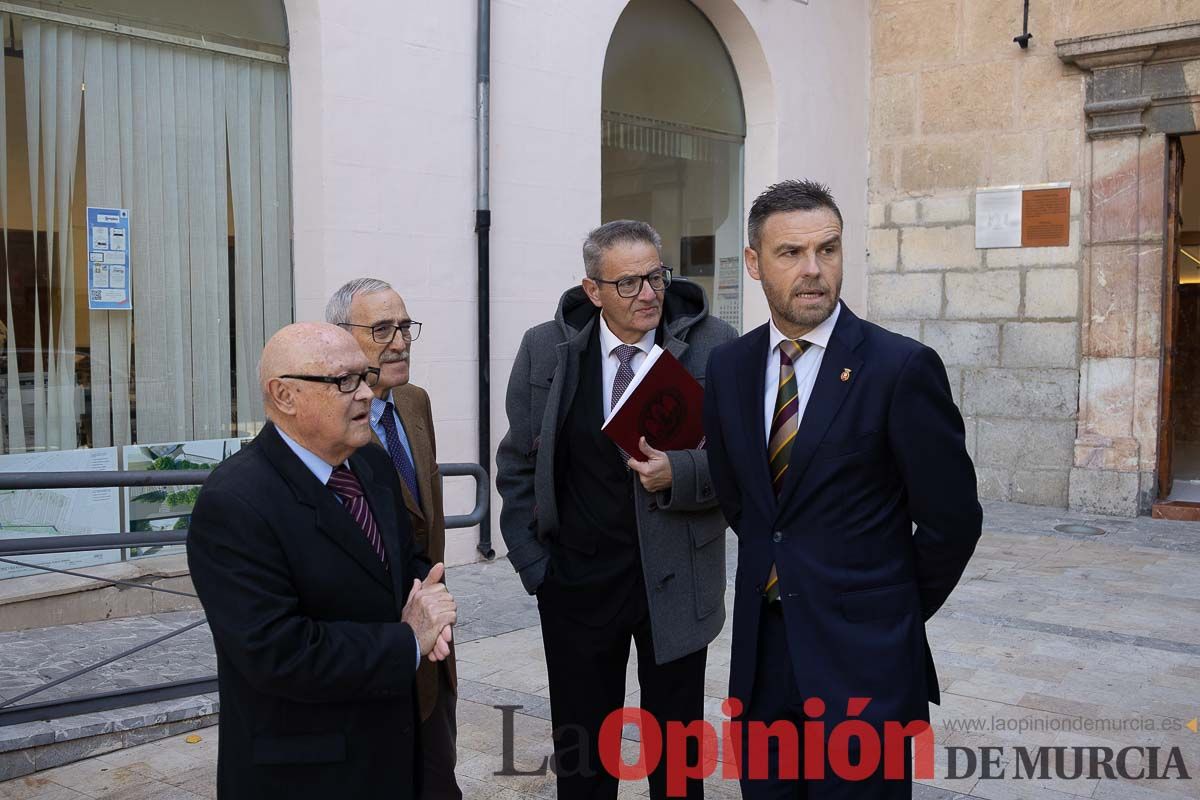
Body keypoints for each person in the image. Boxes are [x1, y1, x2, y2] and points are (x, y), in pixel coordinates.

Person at [703, 180, 982, 798]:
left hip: (865, 663)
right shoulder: (729, 368)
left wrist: (885, 609)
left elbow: (953, 521)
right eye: (791, 253)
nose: (813, 271)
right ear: (753, 263)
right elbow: (743, 501)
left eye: (827, 250)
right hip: (764, 657)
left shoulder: (899, 367)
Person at [496, 220, 737, 799]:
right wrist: (537, 567)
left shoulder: (714, 345)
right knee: (582, 756)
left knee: (676, 758)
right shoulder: (544, 349)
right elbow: (516, 465)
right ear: (592, 290)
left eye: (654, 276)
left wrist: (679, 473)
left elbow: (744, 465)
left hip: (676, 580)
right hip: (576, 583)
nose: (648, 294)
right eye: (627, 283)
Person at [186, 322, 456, 800]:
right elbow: (277, 651)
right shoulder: (235, 502)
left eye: (365, 378)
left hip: (394, 752)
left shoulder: (371, 464)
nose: (366, 397)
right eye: (343, 382)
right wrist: (408, 640)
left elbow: (405, 560)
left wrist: (429, 596)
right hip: (306, 772)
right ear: (284, 395)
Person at [326, 278, 461, 800]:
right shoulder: (329, 425)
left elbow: (427, 522)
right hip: (370, 649)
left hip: (435, 643)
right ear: (342, 337)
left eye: (405, 327)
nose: (400, 341)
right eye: (382, 329)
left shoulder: (413, 402)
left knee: (436, 777)